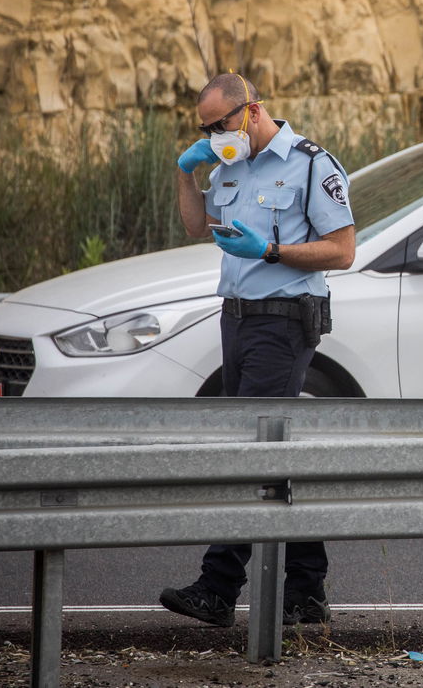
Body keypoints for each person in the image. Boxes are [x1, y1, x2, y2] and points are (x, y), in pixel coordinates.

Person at [160, 72, 355, 628]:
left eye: (219, 123)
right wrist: (185, 172)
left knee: (252, 454)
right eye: (205, 128)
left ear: (251, 110)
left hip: (285, 319)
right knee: (274, 456)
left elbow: (342, 251)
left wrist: (270, 250)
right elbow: (198, 225)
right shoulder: (228, 167)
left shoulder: (312, 163)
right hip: (238, 320)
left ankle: (218, 587)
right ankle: (306, 590)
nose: (215, 133)